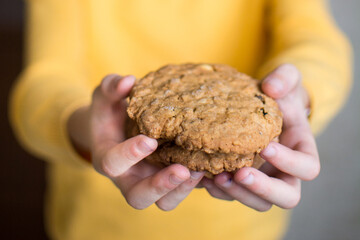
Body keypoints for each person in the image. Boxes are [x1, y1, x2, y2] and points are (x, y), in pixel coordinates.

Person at [9, 0, 352, 239]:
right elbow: (43, 82)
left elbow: (317, 40)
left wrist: (297, 94)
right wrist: (85, 126)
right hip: (96, 223)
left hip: (241, 226)